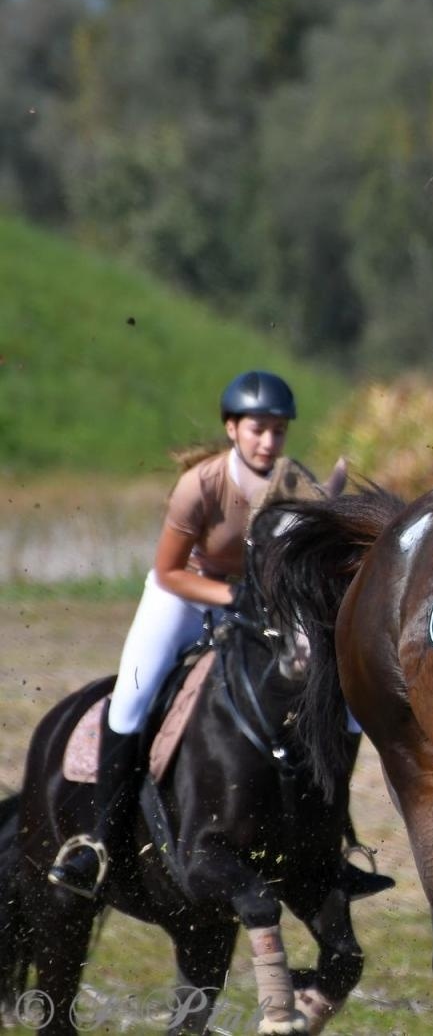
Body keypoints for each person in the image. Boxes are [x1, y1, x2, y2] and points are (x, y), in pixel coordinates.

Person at [48, 371, 394, 899]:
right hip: (183, 598)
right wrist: (234, 599)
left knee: (339, 705)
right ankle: (97, 843)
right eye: (258, 429)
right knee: (132, 700)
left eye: (279, 430)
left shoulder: (292, 483)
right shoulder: (200, 485)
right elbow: (168, 571)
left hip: (256, 605)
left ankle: (332, 846)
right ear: (232, 428)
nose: (269, 441)